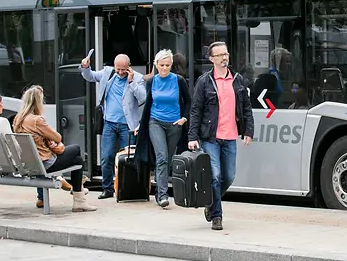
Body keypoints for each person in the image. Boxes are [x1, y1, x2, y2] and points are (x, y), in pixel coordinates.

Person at [187, 41, 254, 231]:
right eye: (220, 55)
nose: (224, 58)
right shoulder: (204, 81)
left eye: (226, 54)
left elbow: (246, 108)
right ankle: (217, 216)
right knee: (214, 176)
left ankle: (210, 201)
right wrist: (192, 136)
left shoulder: (238, 80)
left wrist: (248, 130)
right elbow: (195, 110)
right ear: (211, 59)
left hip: (230, 135)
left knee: (229, 176)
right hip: (210, 137)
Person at [13, 85, 96, 212]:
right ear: (38, 102)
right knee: (76, 150)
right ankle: (78, 197)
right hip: (45, 163)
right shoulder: (36, 120)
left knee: (78, 160)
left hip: (31, 164)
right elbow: (57, 137)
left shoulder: (18, 119)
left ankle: (76, 195)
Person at [81, 53, 146, 200]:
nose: (121, 72)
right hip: (109, 123)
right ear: (114, 66)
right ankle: (107, 188)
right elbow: (90, 76)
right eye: (118, 69)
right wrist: (85, 67)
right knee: (107, 156)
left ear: (129, 67)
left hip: (127, 125)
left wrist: (131, 83)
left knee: (127, 158)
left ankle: (124, 189)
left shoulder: (137, 78)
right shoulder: (107, 73)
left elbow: (143, 98)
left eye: (124, 69)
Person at [136, 49, 191, 209]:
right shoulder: (151, 82)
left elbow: (188, 101)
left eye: (168, 65)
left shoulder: (179, 80)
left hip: (175, 124)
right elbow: (147, 104)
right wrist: (141, 124)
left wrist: (184, 118)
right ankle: (162, 195)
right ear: (156, 65)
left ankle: (163, 189)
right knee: (162, 157)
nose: (165, 68)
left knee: (169, 158)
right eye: (162, 65)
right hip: (155, 122)